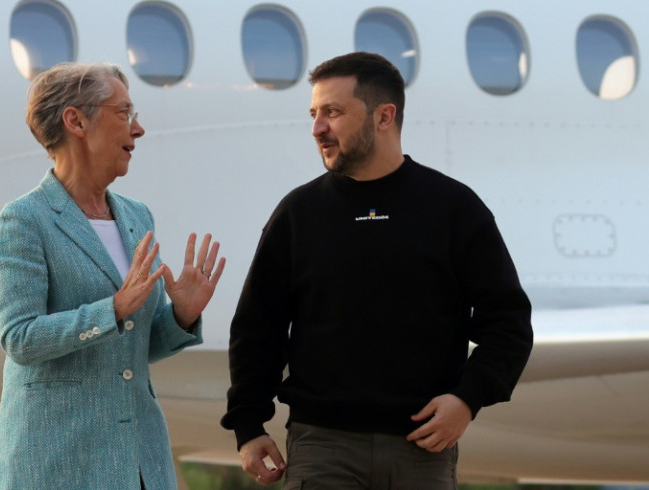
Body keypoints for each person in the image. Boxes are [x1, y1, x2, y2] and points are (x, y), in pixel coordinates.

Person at [220, 52, 533, 489]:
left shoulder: (454, 209)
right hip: (320, 448)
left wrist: (466, 400)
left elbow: (509, 323)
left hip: (422, 451)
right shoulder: (298, 214)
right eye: (313, 114)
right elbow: (257, 329)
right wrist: (248, 426)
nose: (317, 128)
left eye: (332, 112)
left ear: (384, 116)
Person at [0, 62, 225, 490]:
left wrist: (182, 317)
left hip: (139, 463)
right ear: (76, 120)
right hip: (57, 464)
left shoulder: (137, 216)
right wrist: (111, 309)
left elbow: (132, 344)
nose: (139, 130)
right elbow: (19, 339)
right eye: (126, 113)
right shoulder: (24, 220)